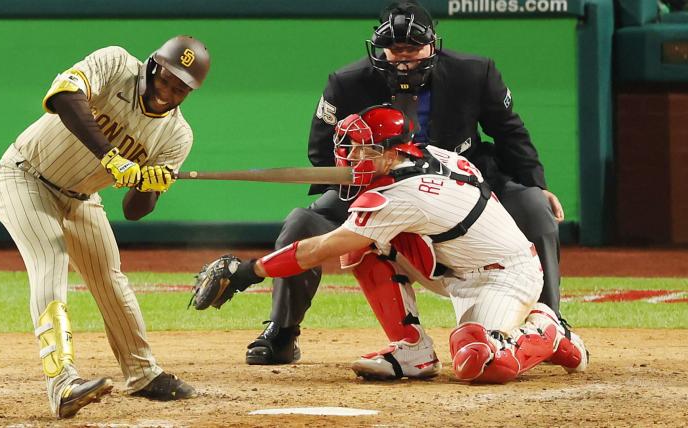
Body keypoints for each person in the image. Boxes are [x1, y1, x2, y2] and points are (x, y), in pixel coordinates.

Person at [243, 0, 566, 366]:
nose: (403, 58)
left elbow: (510, 134)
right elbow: (322, 147)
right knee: (302, 224)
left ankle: (552, 320)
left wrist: (536, 184)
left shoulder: (474, 73)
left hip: (467, 188)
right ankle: (282, 332)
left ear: (432, 45)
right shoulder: (346, 83)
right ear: (380, 48)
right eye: (395, 49)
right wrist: (371, 191)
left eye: (412, 49)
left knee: (535, 208)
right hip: (374, 187)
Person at [194, 105, 588, 383]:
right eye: (350, 147)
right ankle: (413, 350)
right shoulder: (431, 154)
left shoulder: (402, 195)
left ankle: (548, 331)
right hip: (455, 263)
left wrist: (250, 270)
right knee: (363, 244)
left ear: (394, 151)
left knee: (478, 361)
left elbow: (318, 250)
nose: (352, 156)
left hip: (504, 277)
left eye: (365, 149)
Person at [0, 35, 210, 418]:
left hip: (80, 199)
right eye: (165, 79)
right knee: (50, 260)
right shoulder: (116, 64)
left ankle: (142, 373)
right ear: (153, 66)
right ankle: (61, 384)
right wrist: (111, 156)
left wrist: (149, 185)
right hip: (24, 175)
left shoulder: (177, 135)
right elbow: (63, 97)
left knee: (110, 278)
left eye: (179, 88)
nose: (167, 91)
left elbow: (134, 211)